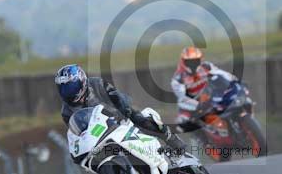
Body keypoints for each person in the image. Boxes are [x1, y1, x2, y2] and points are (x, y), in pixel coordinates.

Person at [54, 64, 186, 158]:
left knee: (141, 119)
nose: (69, 92)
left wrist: (125, 112)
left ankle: (172, 140)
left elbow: (117, 97)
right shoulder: (66, 111)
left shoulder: (96, 84)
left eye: (72, 87)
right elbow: (78, 131)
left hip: (119, 117)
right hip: (99, 133)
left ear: (81, 80)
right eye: (64, 89)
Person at [170, 46, 237, 131]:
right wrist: (198, 105)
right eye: (189, 62)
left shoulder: (206, 66)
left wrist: (233, 79)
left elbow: (221, 73)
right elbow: (182, 97)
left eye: (195, 61)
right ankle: (202, 140)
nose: (193, 64)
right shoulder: (178, 78)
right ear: (183, 61)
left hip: (210, 96)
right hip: (190, 105)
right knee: (183, 123)